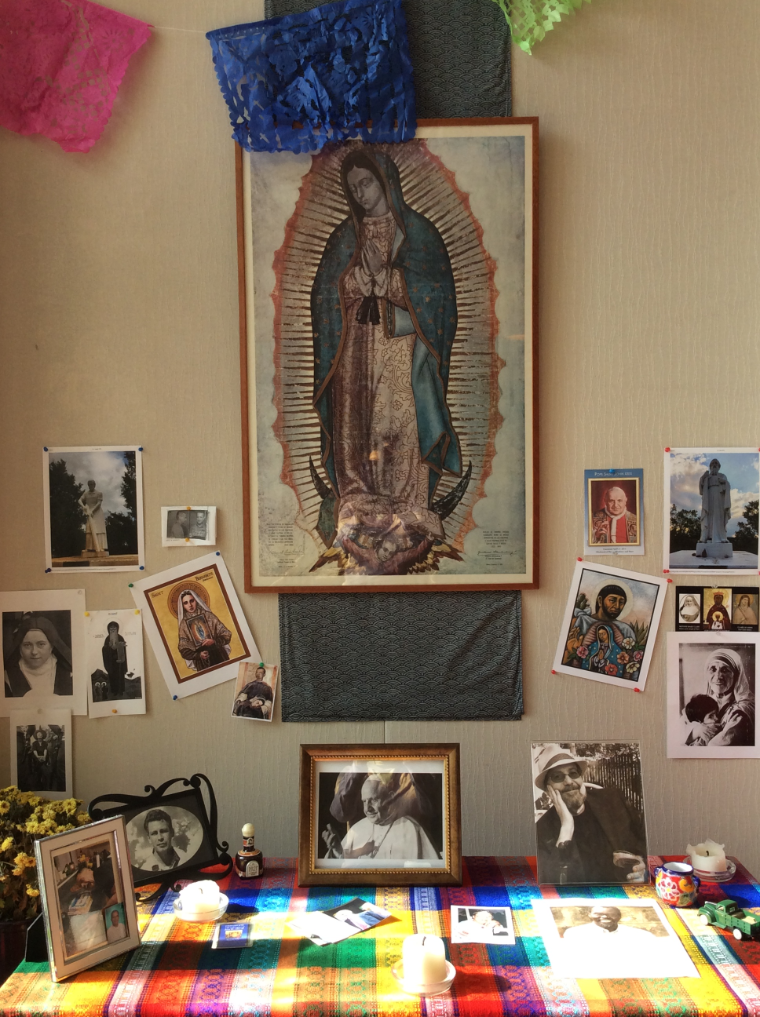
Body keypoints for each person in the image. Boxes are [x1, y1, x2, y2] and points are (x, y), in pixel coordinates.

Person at [310, 148, 461, 574]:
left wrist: (391, 279)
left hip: (400, 346)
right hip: (356, 349)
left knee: (399, 419)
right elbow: (323, 296)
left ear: (385, 181)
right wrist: (357, 279)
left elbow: (440, 298)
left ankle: (407, 501)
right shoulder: (344, 238)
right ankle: (358, 497)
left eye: (367, 183)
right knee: (358, 420)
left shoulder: (418, 234)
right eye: (354, 187)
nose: (361, 193)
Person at [533, 744, 647, 885]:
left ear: (581, 778)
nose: (569, 782)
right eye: (557, 777)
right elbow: (551, 882)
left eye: (573, 773)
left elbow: (646, 840)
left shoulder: (613, 800)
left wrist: (643, 866)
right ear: (547, 790)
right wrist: (566, 828)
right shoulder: (542, 830)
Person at [322, 776, 439, 861]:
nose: (368, 809)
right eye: (364, 802)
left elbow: (427, 871)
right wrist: (338, 851)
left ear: (390, 797)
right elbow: (343, 873)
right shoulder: (357, 829)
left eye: (373, 800)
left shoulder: (410, 828)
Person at [682, 648, 754, 746]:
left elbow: (718, 746)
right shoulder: (703, 702)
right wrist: (696, 731)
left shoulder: (743, 709)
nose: (718, 676)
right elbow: (675, 732)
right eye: (713, 669)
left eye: (725, 670)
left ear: (736, 675)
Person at [4, 614, 74, 698]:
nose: (34, 652)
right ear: (19, 648)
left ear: (51, 647)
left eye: (41, 644)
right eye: (27, 645)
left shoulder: (69, 674)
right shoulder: (6, 677)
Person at [177, 590, 232, 672]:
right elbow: (183, 649)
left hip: (218, 655)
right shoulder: (184, 624)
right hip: (202, 662)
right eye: (186, 603)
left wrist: (214, 641)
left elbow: (226, 634)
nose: (190, 605)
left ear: (196, 600)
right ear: (183, 605)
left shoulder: (208, 615)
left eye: (192, 601)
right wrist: (199, 655)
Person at [563, 905, 656, 945]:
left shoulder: (641, 935)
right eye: (598, 914)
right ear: (589, 915)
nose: (604, 917)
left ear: (619, 916)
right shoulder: (574, 933)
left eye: (611, 914)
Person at [698, 458, 731, 544]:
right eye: (713, 465)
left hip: (719, 497)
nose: (714, 466)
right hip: (708, 497)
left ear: (718, 467)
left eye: (716, 465)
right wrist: (703, 478)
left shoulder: (722, 476)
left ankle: (721, 537)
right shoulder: (707, 477)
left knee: (719, 516)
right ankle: (707, 536)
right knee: (708, 515)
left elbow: (727, 485)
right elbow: (701, 488)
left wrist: (723, 482)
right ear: (710, 467)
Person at [78, 480, 109, 556]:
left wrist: (92, 510)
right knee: (89, 529)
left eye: (92, 484)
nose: (91, 485)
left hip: (97, 513)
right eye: (89, 484)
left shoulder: (99, 493)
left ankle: (101, 547)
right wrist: (84, 507)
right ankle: (89, 548)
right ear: (88, 485)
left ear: (95, 485)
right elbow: (79, 500)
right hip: (89, 513)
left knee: (99, 530)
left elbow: (99, 503)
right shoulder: (86, 493)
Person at [102, 621, 128, 699]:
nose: (113, 630)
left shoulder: (120, 637)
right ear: (108, 629)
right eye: (111, 628)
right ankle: (114, 691)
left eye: (114, 628)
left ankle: (121, 691)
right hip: (111, 663)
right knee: (112, 677)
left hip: (119, 662)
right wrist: (108, 647)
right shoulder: (107, 639)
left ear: (117, 629)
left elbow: (123, 650)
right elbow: (104, 649)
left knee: (120, 676)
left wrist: (121, 646)